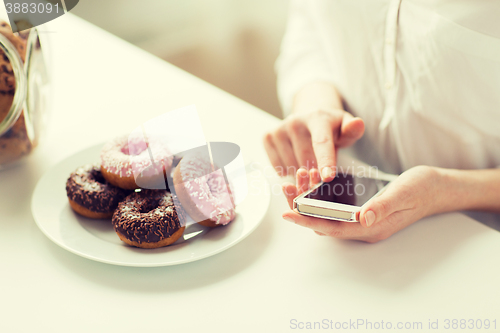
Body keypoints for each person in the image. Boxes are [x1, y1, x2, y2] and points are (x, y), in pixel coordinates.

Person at [264, 0, 500, 243]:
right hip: (349, 190)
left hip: (478, 241)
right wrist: (316, 106)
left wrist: (446, 191)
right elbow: (310, 25)